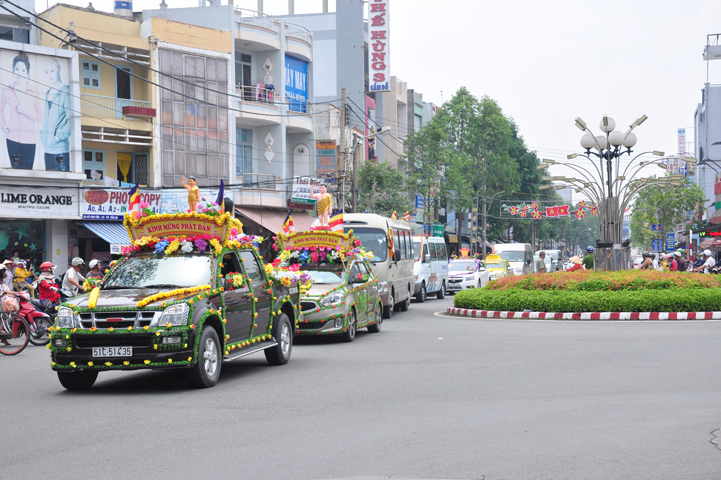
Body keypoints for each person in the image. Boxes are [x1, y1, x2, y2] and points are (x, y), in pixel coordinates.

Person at [0, 52, 43, 169]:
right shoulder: (7, 90)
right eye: (17, 69)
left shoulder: (34, 91)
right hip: (12, 138)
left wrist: (25, 111)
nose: (20, 73)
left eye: (23, 70)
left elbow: (40, 117)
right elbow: (0, 109)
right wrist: (3, 125)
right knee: (15, 172)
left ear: (27, 72)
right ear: (13, 70)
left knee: (27, 174)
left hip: (29, 140)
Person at [40, 58, 71, 172]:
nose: (50, 75)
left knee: (62, 182)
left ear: (58, 70)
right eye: (47, 72)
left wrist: (57, 137)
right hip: (47, 149)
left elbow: (71, 120)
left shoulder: (66, 92)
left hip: (60, 150)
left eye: (52, 71)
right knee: (49, 182)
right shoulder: (48, 93)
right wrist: (43, 136)